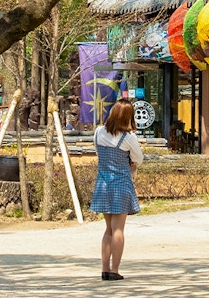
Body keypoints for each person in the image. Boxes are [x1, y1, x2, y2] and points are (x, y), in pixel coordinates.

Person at [90, 98, 143, 281]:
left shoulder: (98, 132)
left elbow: (98, 154)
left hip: (103, 184)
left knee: (108, 230)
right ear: (128, 116)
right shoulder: (128, 137)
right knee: (118, 229)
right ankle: (115, 269)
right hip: (121, 184)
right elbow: (139, 158)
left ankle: (104, 269)